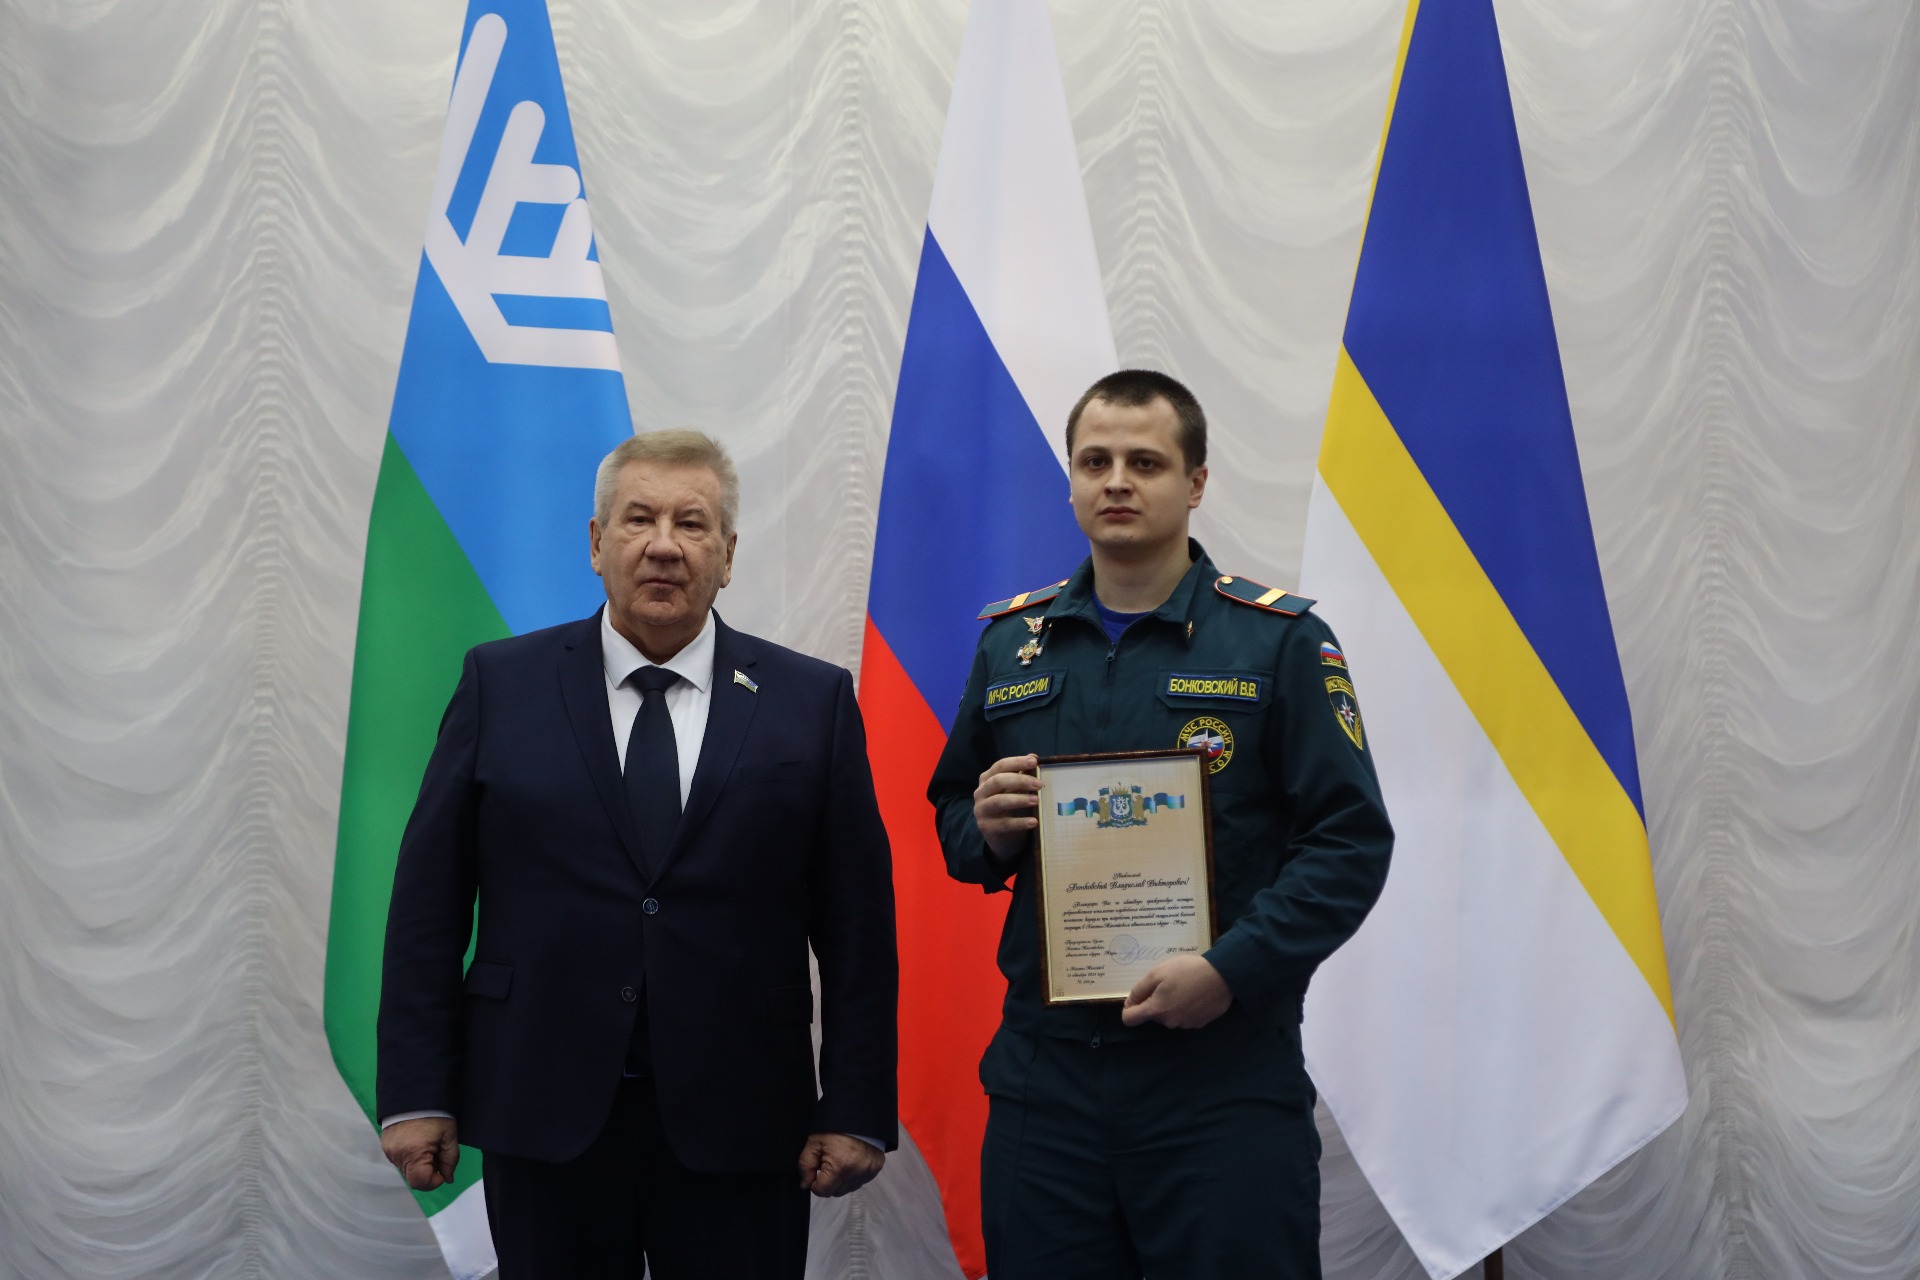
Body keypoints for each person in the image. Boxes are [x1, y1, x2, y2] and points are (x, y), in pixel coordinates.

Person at [376, 430, 898, 1280]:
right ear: (596, 543)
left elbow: (858, 932)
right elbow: (427, 908)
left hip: (743, 1118)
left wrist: (857, 1104)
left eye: (691, 524)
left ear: (728, 555)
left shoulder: (813, 702)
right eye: (639, 519)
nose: (663, 545)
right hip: (542, 1109)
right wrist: (417, 1090)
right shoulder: (501, 685)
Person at [928, 370, 1394, 1279]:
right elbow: (954, 814)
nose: (1116, 482)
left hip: (1220, 1075)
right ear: (1070, 481)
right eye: (1094, 462)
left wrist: (1230, 971)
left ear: (1196, 481)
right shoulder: (1011, 644)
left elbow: (1348, 842)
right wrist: (987, 830)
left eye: (1145, 462)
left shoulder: (1279, 641)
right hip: (1048, 1080)